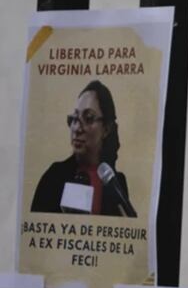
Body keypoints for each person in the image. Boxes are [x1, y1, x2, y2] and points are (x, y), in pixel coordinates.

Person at [31, 80, 134, 217]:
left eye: (88, 118)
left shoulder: (116, 183)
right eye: (74, 119)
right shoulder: (54, 176)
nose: (77, 129)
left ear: (106, 129)